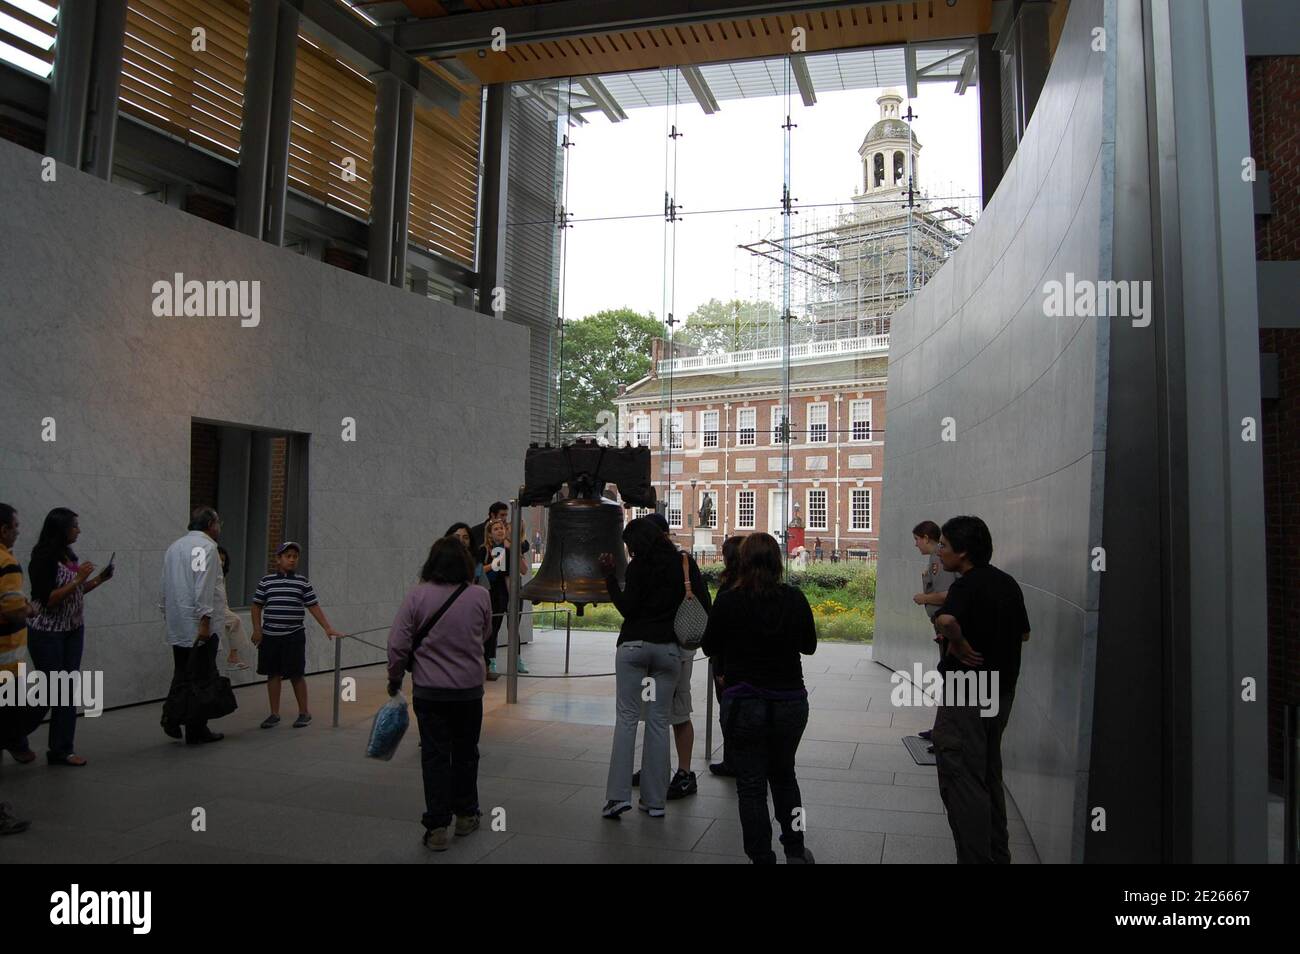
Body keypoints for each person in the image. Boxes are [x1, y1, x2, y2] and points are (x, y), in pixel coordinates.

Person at [701, 532, 817, 864]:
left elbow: (709, 647)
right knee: (784, 777)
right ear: (778, 563)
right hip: (789, 701)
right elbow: (808, 645)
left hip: (743, 701)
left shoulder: (729, 600)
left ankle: (761, 857)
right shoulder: (794, 598)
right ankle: (795, 849)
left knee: (751, 786)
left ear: (743, 562)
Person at [931, 515, 1030, 865]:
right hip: (1001, 693)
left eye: (944, 545)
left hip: (966, 695)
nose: (939, 551)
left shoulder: (965, 586)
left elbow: (945, 620)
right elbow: (1024, 633)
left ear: (964, 551)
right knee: (989, 772)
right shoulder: (1007, 583)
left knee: (962, 780)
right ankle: (997, 855)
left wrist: (957, 641)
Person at [387, 537, 493, 852]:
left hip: (430, 692)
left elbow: (398, 645)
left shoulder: (416, 596)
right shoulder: (480, 596)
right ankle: (466, 815)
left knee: (434, 756)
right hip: (468, 692)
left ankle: (436, 827)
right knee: (466, 753)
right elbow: (484, 634)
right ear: (464, 564)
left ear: (431, 564)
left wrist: (394, 678)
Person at [597, 517, 685, 819]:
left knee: (627, 720)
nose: (629, 550)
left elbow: (628, 608)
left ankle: (618, 797)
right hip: (669, 650)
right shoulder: (682, 564)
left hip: (634, 646)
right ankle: (655, 801)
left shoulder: (637, 568)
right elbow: (702, 604)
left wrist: (609, 578)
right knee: (659, 722)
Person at [25, 508, 114, 766]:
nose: (78, 530)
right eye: (74, 526)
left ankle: (62, 749)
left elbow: (76, 593)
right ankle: (14, 735)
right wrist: (77, 579)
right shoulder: (42, 557)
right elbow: (48, 600)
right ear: (61, 528)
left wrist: (99, 579)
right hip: (47, 634)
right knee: (50, 692)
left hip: (72, 631)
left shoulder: (68, 555)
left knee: (67, 692)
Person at [633, 512, 710, 800]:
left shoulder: (679, 562)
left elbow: (702, 602)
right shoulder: (648, 564)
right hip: (664, 648)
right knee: (656, 712)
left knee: (676, 712)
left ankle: (685, 773)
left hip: (674, 648)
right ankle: (657, 767)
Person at [251, 541, 343, 728]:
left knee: (296, 674)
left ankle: (304, 712)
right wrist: (257, 629)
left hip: (293, 635)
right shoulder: (266, 582)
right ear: (278, 559)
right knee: (273, 674)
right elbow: (256, 606)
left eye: (295, 557)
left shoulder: (302, 582)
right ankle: (274, 713)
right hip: (270, 635)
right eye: (288, 556)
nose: (292, 560)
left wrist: (327, 627)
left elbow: (313, 606)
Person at [159, 507, 226, 745]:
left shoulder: (174, 547)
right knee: (201, 677)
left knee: (182, 673)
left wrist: (166, 612)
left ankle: (173, 715)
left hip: (178, 622)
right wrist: (205, 620)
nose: (220, 527)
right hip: (198, 626)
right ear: (210, 524)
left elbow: (165, 583)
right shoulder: (206, 548)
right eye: (218, 523)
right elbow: (203, 585)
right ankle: (195, 728)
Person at [0, 503, 47, 834]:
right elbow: (15, 611)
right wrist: (28, 609)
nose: (18, 530)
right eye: (15, 526)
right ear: (3, 529)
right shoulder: (7, 562)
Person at [911, 520, 956, 750]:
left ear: (927, 538)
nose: (916, 545)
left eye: (917, 539)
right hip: (941, 627)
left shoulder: (939, 559)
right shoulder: (935, 559)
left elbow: (948, 594)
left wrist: (924, 598)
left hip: (947, 628)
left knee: (951, 681)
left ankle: (945, 734)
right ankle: (942, 730)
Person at [707, 534, 744, 778]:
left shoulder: (727, 591)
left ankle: (733, 760)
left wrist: (720, 670)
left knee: (730, 715)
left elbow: (714, 637)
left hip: (730, 665)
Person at [477, 518, 529, 679]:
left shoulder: (512, 547)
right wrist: (495, 562)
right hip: (496, 591)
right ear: (490, 533)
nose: (500, 531)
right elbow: (481, 571)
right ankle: (491, 660)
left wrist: (515, 551)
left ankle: (517, 660)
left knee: (513, 626)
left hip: (512, 591)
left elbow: (524, 570)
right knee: (494, 626)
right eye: (496, 529)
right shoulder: (485, 550)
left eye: (502, 528)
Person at [216, 547, 251, 671]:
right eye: (218, 559)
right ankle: (233, 656)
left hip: (220, 609)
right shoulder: (211, 576)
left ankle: (233, 655)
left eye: (223, 560)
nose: (221, 563)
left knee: (234, 621)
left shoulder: (222, 577)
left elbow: (223, 599)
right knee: (235, 620)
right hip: (212, 610)